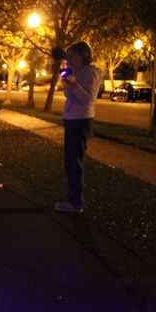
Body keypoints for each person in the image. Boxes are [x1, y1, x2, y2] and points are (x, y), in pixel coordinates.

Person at [55, 41, 101, 213]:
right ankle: (73, 200)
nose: (69, 61)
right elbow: (67, 94)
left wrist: (74, 84)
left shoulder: (90, 73)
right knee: (70, 161)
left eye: (72, 58)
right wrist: (71, 84)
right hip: (72, 118)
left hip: (80, 120)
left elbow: (89, 98)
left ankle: (75, 203)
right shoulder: (77, 71)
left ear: (83, 57)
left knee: (74, 162)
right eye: (68, 58)